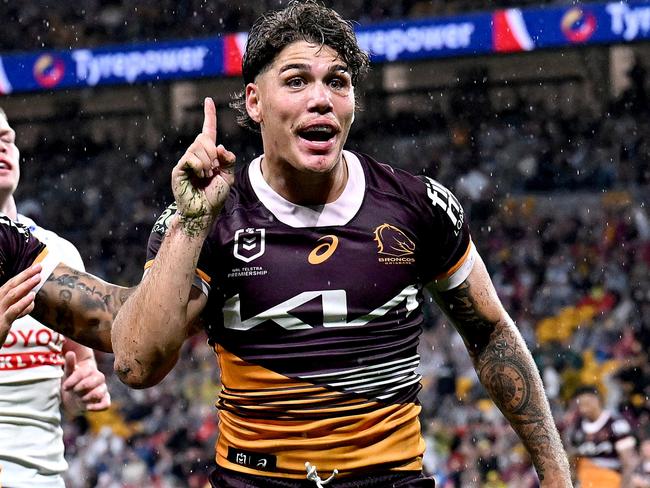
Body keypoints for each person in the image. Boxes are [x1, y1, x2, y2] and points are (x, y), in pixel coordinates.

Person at [112, 1, 572, 486]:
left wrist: (558, 478)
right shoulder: (208, 215)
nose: (321, 99)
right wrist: (193, 222)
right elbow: (137, 364)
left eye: (337, 81)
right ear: (254, 102)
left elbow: (492, 335)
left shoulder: (418, 205)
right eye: (296, 81)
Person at [0, 107, 115, 487]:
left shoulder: (58, 255)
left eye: (7, 138)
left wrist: (77, 393)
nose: (3, 146)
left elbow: (78, 373)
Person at [566, 385, 637, 487]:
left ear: (597, 401)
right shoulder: (576, 427)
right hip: (584, 482)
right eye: (580, 405)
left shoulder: (616, 424)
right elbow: (572, 459)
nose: (583, 410)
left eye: (586, 404)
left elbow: (628, 463)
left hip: (610, 480)